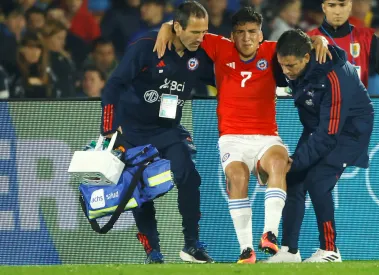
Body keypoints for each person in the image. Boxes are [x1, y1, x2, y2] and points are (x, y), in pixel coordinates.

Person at [154, 7, 330, 264]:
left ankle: (270, 232)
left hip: (266, 136)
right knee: (237, 177)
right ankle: (247, 250)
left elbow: (306, 40)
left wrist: (321, 39)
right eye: (240, 33)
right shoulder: (218, 47)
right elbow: (180, 26)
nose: (247, 38)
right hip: (232, 137)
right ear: (232, 36)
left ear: (261, 35)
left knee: (280, 162)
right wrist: (164, 28)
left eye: (252, 32)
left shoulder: (273, 51)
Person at [100, 1, 215, 264]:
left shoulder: (200, 55)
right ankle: (153, 251)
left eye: (204, 32)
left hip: (168, 130)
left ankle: (192, 245)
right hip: (133, 131)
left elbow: (226, 75)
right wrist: (108, 128)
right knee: (138, 191)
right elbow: (114, 85)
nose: (201, 38)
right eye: (195, 32)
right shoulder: (146, 48)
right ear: (177, 27)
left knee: (189, 177)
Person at [267, 29, 374, 263]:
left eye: (291, 66)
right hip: (318, 126)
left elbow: (329, 134)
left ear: (307, 58)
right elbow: (299, 39)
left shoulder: (334, 77)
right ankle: (289, 251)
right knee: (294, 179)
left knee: (317, 182)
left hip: (349, 132)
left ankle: (330, 250)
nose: (285, 72)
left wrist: (295, 160)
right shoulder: (298, 55)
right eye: (282, 65)